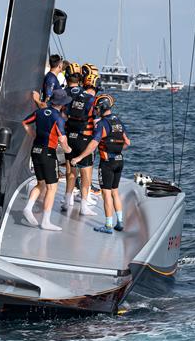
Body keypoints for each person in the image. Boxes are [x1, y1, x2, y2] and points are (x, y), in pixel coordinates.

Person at [71, 94, 131, 234]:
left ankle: (108, 225)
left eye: (97, 108)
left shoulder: (102, 124)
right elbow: (127, 143)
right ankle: (120, 222)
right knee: (115, 192)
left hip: (107, 164)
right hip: (119, 160)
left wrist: (79, 157)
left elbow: (93, 144)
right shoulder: (118, 121)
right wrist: (115, 149)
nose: (95, 110)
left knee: (106, 194)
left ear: (102, 108)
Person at [21, 89, 72, 231]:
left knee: (41, 183)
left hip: (35, 150)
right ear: (62, 104)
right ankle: (46, 221)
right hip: (48, 154)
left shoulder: (39, 112)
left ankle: (28, 207)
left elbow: (24, 122)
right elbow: (62, 139)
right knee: (52, 187)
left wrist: (32, 134)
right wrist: (68, 150)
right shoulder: (58, 118)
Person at [62, 71, 99, 214]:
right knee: (86, 174)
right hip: (84, 139)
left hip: (71, 138)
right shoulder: (92, 101)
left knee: (71, 171)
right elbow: (96, 123)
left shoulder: (74, 98)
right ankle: (84, 207)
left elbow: (64, 116)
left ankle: (67, 201)